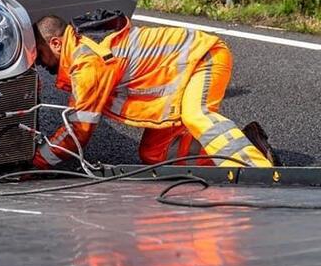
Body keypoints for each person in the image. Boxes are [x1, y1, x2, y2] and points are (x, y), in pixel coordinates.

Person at [32, 10, 277, 169]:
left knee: (197, 116)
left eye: (40, 56)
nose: (41, 64)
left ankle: (256, 170)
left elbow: (79, 130)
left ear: (55, 43)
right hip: (178, 78)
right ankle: (251, 146)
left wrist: (37, 162)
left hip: (203, 57)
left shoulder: (86, 62)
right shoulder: (82, 50)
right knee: (154, 153)